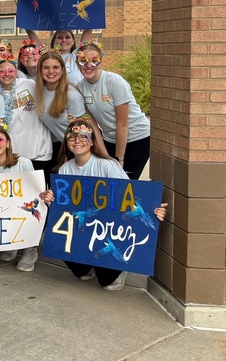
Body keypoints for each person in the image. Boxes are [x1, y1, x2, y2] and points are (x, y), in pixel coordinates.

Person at [52, 119, 166, 290]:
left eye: (84, 137)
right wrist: (49, 197)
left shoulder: (107, 165)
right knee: (78, 270)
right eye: (72, 137)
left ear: (92, 141)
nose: (77, 141)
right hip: (84, 228)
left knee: (106, 280)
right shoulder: (64, 169)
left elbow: (131, 195)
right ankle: (87, 262)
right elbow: (63, 206)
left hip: (108, 228)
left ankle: (120, 270)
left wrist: (153, 209)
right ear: (66, 142)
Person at [0, 124, 50, 272]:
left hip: (19, 208)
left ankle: (31, 250)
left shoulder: (23, 163)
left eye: (0, 139)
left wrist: (44, 195)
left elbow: (35, 192)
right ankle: (10, 245)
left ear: (8, 142)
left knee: (36, 208)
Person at [74, 41, 151, 180]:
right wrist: (105, 156)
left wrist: (119, 159)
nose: (88, 65)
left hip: (137, 137)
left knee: (125, 182)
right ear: (77, 62)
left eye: (94, 61)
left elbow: (122, 125)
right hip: (109, 138)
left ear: (101, 61)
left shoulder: (115, 82)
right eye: (83, 61)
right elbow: (94, 126)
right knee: (107, 179)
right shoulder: (80, 88)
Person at [0, 58, 52, 173]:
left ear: (16, 72)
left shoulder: (30, 84)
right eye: (2, 71)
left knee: (40, 189)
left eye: (10, 71)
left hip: (40, 152)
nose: (6, 74)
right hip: (13, 154)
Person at [34, 50, 91, 161]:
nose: (51, 71)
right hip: (58, 147)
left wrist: (73, 155)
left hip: (77, 149)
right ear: (40, 70)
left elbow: (82, 131)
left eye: (55, 67)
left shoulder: (72, 95)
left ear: (62, 70)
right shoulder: (39, 92)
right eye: (46, 68)